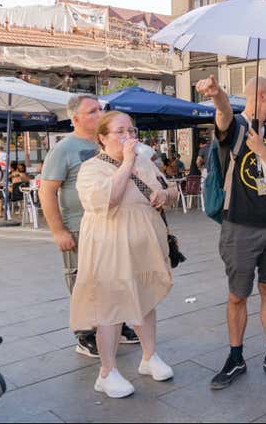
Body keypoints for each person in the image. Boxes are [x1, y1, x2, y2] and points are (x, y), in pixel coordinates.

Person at [195, 75, 266, 390]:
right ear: (261, 96)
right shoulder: (236, 128)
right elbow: (223, 114)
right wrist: (217, 95)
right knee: (237, 295)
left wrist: (263, 151)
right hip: (239, 226)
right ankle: (236, 356)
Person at [70, 112, 177, 399]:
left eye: (131, 130)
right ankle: (107, 373)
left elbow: (171, 189)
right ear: (102, 138)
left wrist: (164, 196)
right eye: (120, 131)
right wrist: (128, 162)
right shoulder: (91, 169)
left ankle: (149, 357)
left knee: (144, 300)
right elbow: (110, 198)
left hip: (144, 248)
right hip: (109, 249)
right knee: (111, 308)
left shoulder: (145, 162)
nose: (129, 136)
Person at [39, 94, 140, 359]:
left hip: (112, 225)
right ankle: (85, 334)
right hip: (79, 227)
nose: (99, 114)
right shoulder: (63, 149)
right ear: (75, 119)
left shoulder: (107, 142)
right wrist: (58, 231)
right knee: (83, 281)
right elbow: (47, 192)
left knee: (113, 278)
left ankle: (116, 323)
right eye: (92, 111)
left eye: (100, 109)